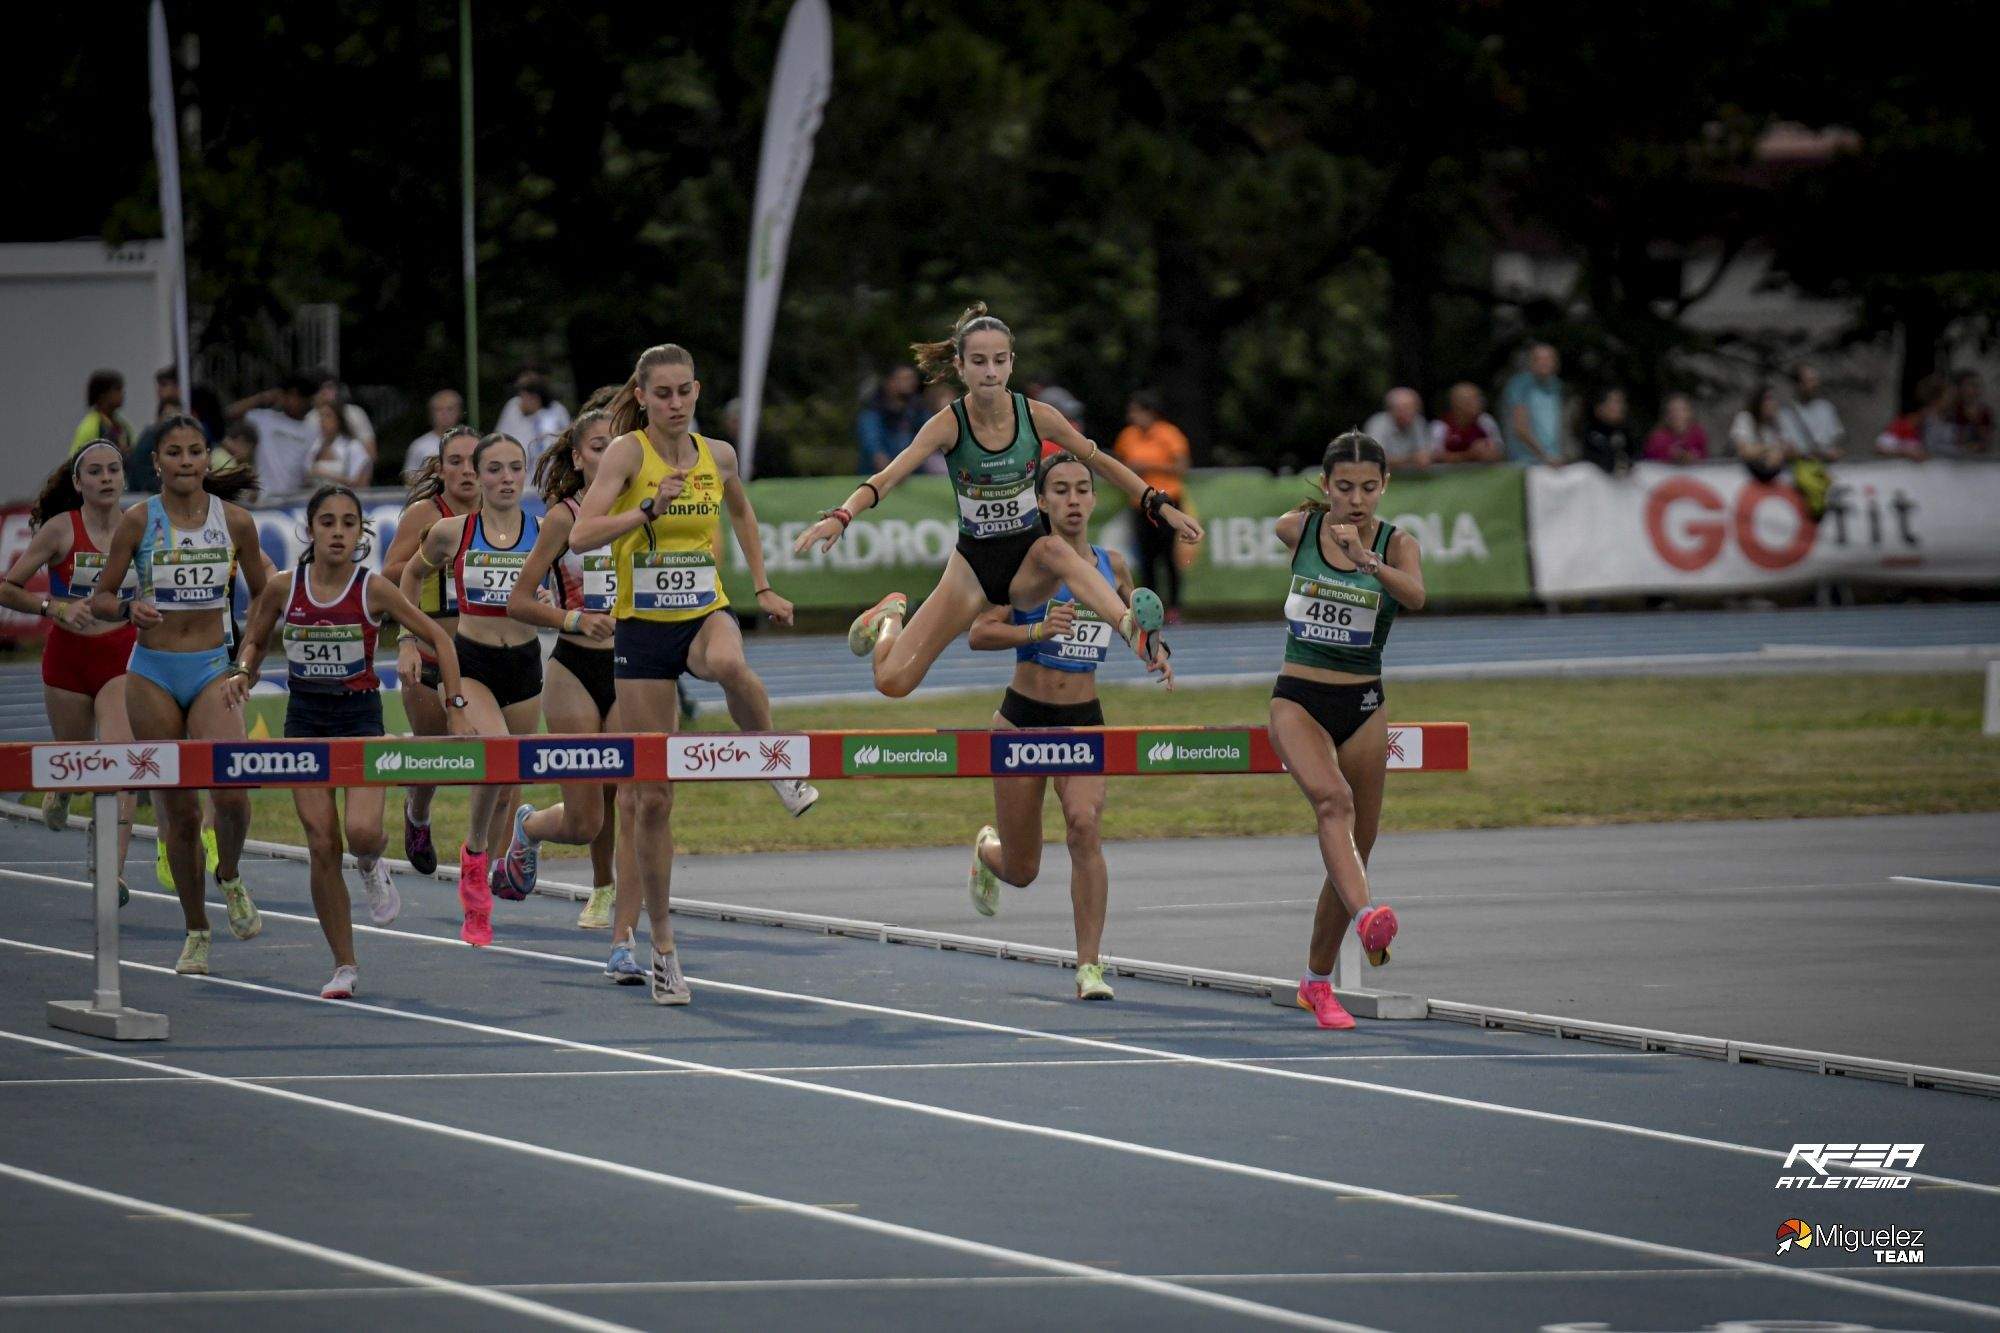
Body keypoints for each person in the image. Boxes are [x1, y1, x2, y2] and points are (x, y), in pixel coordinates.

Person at [569, 343, 810, 1002]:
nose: (676, 404)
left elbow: (741, 512)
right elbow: (582, 535)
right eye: (663, 394)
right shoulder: (625, 454)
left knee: (731, 661)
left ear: (698, 391)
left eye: (684, 392)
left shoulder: (719, 455)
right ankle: (664, 947)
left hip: (704, 610)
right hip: (642, 633)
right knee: (651, 800)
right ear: (642, 397)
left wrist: (760, 586)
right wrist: (643, 511)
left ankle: (778, 764)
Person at [797, 304, 1192, 702]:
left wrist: (1159, 504)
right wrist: (842, 515)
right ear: (960, 365)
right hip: (972, 567)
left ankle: (1129, 627)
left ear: (1011, 364)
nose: (990, 371)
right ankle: (889, 617)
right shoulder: (947, 424)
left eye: (999, 361)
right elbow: (887, 478)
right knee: (893, 683)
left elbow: (1101, 461)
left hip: (1028, 560)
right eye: (979, 361)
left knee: (1056, 548)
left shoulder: (1038, 416)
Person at [226, 485, 467, 998]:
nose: (338, 532)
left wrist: (457, 704)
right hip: (305, 723)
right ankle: (344, 965)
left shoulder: (373, 588)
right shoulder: (283, 588)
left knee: (359, 834)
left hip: (359, 722)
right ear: (310, 530)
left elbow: (440, 638)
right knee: (320, 844)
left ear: (361, 533)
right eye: (328, 522)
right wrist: (243, 672)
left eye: (348, 523)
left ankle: (372, 861)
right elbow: (253, 637)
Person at [965, 453, 1172, 999]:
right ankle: (989, 852)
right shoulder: (1028, 564)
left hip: (1084, 721)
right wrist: (1035, 634)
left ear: (1094, 500)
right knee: (1023, 869)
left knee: (1084, 826)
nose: (1074, 500)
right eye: (1060, 491)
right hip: (1021, 720)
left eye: (1083, 489)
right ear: (1040, 502)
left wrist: (1156, 649)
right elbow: (978, 633)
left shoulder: (1114, 565)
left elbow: (1135, 624)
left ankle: (1089, 967)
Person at [87, 417, 267, 976]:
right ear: (157, 463)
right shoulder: (139, 522)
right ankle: (196, 929)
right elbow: (100, 597)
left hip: (214, 668)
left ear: (207, 460)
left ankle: (230, 874)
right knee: (180, 812)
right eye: (174, 453)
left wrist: (246, 663)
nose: (186, 461)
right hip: (153, 672)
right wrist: (125, 609)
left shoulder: (234, 521)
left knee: (232, 795)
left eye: (196, 452)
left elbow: (266, 597)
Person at [1270, 432, 1423, 1031]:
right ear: (1326, 486)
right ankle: (1367, 920)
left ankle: (1315, 981)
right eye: (1343, 487)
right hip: (1299, 699)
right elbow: (1286, 522)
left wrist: (1368, 561)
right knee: (1333, 803)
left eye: (1368, 488)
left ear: (1384, 487)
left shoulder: (1396, 542)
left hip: (1363, 701)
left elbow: (1415, 596)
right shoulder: (1299, 532)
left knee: (1357, 847)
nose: (1356, 500)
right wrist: (1327, 530)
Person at [399, 433, 550, 945]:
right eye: (495, 469)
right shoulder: (451, 531)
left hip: (526, 665)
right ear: (479, 477)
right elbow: (411, 577)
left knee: (510, 784)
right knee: (500, 755)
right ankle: (474, 862)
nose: (506, 478)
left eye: (515, 468)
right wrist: (409, 637)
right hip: (472, 663)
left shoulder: (544, 531)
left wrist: (551, 599)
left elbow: (563, 591)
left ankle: (485, 870)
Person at [0, 444, 143, 898]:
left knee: (121, 760)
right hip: (67, 659)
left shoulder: (140, 527)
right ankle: (61, 791)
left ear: (124, 478)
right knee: (74, 754)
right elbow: (8, 588)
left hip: (121, 655)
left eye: (114, 470)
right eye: (95, 472)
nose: (106, 478)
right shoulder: (62, 530)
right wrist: (53, 607)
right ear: (78, 483)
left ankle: (110, 868)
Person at [501, 408, 622, 931]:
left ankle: (606, 891)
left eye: (616, 446)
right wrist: (572, 617)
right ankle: (530, 827)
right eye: (597, 447)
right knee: (585, 817)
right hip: (575, 670)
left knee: (627, 787)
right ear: (577, 457)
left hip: (633, 669)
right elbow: (519, 601)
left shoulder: (646, 511)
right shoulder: (563, 517)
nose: (608, 455)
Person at [381, 424, 487, 875]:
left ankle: (483, 857)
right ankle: (418, 814)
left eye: (473, 462)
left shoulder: (497, 513)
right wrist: (433, 556)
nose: (466, 471)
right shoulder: (426, 513)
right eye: (456, 462)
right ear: (441, 469)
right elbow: (389, 573)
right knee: (432, 754)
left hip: (479, 653)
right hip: (426, 648)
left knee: (487, 753)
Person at [1112, 389, 1194, 623]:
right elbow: (1119, 465)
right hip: (1141, 504)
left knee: (1169, 556)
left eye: (1136, 412)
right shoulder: (1128, 436)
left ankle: (1175, 607)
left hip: (1167, 500)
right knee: (1146, 558)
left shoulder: (1169, 434)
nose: (1132, 417)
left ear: (1150, 412)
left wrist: (1148, 466)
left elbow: (1181, 467)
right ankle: (1150, 608)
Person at [226, 375, 321, 498]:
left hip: (296, 500)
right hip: (265, 499)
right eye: (290, 395)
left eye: (300, 397)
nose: (294, 401)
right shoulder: (266, 419)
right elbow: (229, 413)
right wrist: (262, 398)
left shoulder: (314, 428)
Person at [1499, 343, 1566, 464]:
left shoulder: (1557, 385)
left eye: (1548, 358)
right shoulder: (1519, 385)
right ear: (1531, 362)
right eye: (1538, 359)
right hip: (1527, 460)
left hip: (1555, 458)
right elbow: (1520, 428)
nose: (1544, 363)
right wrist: (1545, 456)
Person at [856, 364, 925, 474]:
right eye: (904, 379)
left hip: (914, 475)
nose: (910, 383)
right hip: (878, 476)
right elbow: (873, 445)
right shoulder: (872, 413)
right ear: (890, 382)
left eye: (912, 378)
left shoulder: (918, 411)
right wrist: (892, 469)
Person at [494, 371, 572, 469]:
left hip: (549, 472)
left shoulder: (556, 412)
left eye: (524, 397)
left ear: (535, 399)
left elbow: (565, 442)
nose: (521, 402)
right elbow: (499, 437)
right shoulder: (514, 407)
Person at [312, 371, 377, 474]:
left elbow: (370, 455)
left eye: (329, 387)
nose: (324, 392)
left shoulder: (354, 413)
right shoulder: (308, 418)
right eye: (320, 388)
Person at [1779, 363, 1845, 461]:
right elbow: (1788, 448)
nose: (1815, 384)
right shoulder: (1786, 413)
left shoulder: (1826, 408)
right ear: (1798, 384)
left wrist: (1835, 452)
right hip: (1800, 468)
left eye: (1815, 380)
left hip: (1826, 468)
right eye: (1810, 381)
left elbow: (1837, 439)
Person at [1428, 383, 1503, 464]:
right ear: (1456, 403)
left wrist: (1491, 453)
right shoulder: (1440, 426)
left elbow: (1501, 452)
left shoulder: (1486, 421)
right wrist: (1469, 455)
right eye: (1472, 399)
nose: (1480, 402)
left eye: (1479, 398)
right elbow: (1434, 457)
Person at [403, 389, 467, 482]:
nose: (444, 414)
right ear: (431, 414)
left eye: (449, 409)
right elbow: (408, 478)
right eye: (439, 409)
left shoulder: (471, 443)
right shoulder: (418, 446)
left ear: (459, 412)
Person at [1732, 384, 1792, 480]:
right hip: (1746, 478)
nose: (1772, 403)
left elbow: (1789, 447)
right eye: (1768, 399)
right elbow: (1745, 451)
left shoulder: (1777, 423)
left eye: (1774, 399)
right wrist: (1770, 449)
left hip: (1774, 478)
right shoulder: (1745, 419)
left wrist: (1780, 453)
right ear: (1758, 402)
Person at [70, 370, 135, 458]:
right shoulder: (90, 427)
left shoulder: (122, 425)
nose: (122, 394)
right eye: (117, 389)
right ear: (102, 395)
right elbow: (75, 461)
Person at [1362, 388, 1432, 468]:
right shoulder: (1378, 424)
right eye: (1403, 408)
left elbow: (1424, 454)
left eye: (1412, 408)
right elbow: (1374, 459)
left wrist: (1425, 457)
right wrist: (1410, 459)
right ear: (1391, 410)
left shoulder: (1418, 422)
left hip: (1408, 475)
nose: (1409, 412)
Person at [307, 402, 372, 488]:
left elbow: (360, 483)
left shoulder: (352, 446)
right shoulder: (314, 447)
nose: (322, 421)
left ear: (338, 420)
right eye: (321, 416)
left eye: (328, 416)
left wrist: (325, 474)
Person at [1579, 388, 1640, 475]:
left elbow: (1635, 459)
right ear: (1600, 408)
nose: (1621, 407)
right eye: (1616, 402)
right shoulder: (1591, 434)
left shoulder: (1627, 433)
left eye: (1622, 402)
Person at [1643, 394, 1710, 464]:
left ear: (1690, 413)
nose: (1678, 415)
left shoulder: (1698, 433)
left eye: (1683, 410)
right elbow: (1652, 460)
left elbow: (1704, 457)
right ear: (1667, 415)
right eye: (1673, 410)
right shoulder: (1657, 438)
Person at [1947, 370, 1993, 455]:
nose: (1976, 389)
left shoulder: (1984, 412)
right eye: (1971, 385)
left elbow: (1986, 440)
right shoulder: (1952, 410)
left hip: (1977, 458)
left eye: (1978, 385)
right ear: (1960, 387)